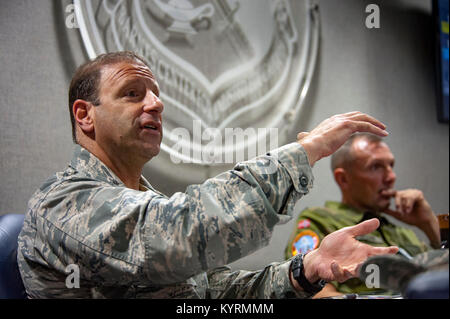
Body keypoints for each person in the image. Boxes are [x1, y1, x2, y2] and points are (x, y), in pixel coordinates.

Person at [17, 51, 398, 299]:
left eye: (156, 94)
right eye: (133, 93)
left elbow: (213, 294)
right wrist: (306, 150)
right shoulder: (62, 203)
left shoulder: (147, 205)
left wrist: (304, 269)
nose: (156, 104)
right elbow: (181, 235)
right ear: (85, 115)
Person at [286, 133, 442, 297]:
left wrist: (428, 224)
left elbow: (440, 274)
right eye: (376, 167)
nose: (391, 177)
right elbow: (311, 292)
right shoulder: (320, 221)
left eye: (391, 166)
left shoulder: (399, 231)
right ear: (344, 179)